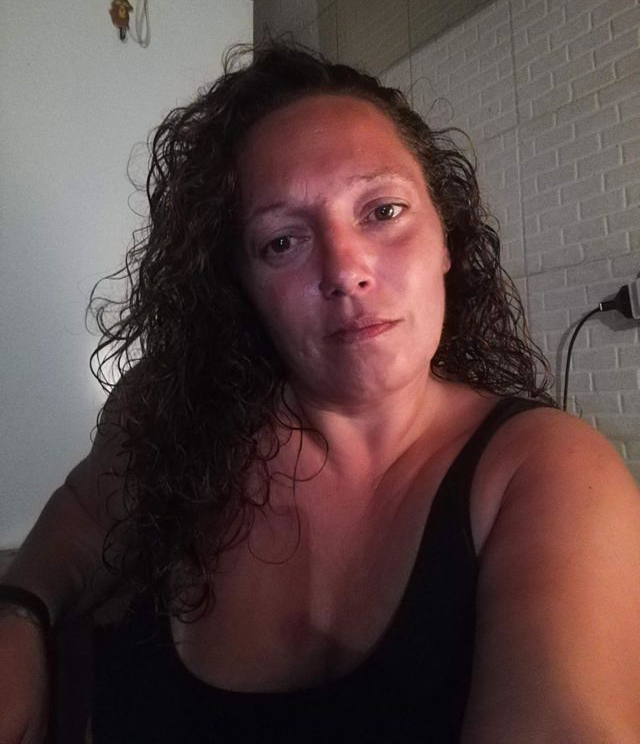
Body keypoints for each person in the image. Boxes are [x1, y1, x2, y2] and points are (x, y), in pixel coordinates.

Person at [1, 43, 639, 743]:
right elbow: (82, 514)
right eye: (282, 241)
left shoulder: (546, 471)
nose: (345, 269)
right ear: (242, 284)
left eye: (383, 210)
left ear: (445, 239)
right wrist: (20, 611)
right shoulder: (176, 418)